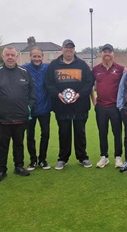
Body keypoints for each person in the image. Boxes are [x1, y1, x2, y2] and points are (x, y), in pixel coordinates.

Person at [0, 46, 36, 182]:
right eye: (7, 55)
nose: (10, 57)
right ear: (2, 57)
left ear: (17, 56)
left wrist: (29, 107)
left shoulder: (24, 72)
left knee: (19, 143)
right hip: (2, 117)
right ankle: (1, 170)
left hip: (21, 116)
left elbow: (32, 92)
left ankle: (19, 166)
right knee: (2, 144)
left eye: (12, 55)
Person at [45, 39, 94, 170]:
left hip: (80, 106)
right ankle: (62, 158)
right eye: (66, 47)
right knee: (64, 133)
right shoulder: (54, 65)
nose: (68, 50)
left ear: (74, 49)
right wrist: (58, 94)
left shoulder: (82, 65)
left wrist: (79, 95)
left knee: (80, 132)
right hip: (61, 106)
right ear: (62, 49)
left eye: (71, 48)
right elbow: (48, 83)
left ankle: (82, 157)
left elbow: (89, 83)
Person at [91, 44, 124, 168]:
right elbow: (89, 85)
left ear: (113, 54)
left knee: (117, 132)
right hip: (100, 107)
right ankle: (104, 157)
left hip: (115, 107)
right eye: (104, 52)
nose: (107, 54)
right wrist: (93, 100)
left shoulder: (120, 69)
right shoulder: (95, 69)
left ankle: (118, 157)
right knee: (102, 132)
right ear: (101, 54)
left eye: (109, 52)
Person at [24, 47, 52, 171]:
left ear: (42, 57)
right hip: (30, 109)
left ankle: (42, 159)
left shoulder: (47, 68)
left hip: (45, 108)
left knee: (45, 134)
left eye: (39, 56)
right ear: (30, 57)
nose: (36, 58)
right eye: (34, 56)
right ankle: (33, 160)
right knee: (30, 135)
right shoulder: (24, 69)